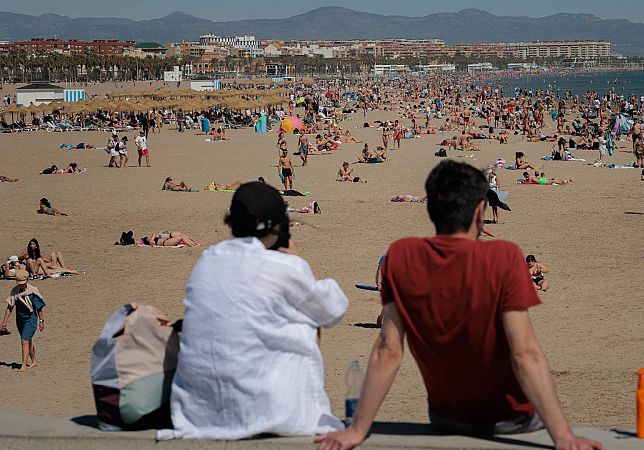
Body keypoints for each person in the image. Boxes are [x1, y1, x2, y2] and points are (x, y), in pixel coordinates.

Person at [315, 160, 603, 450]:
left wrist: (357, 429)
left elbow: (388, 350)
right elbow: (525, 354)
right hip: (512, 420)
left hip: (446, 417)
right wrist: (564, 436)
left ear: (430, 209)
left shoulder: (402, 255)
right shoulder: (503, 257)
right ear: (480, 210)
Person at [159, 182, 347, 441]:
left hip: (199, 413)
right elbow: (333, 310)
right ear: (278, 226)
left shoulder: (208, 259)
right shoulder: (284, 266)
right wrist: (296, 260)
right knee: (308, 315)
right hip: (274, 412)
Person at [1, 269, 46, 373]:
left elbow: (39, 308)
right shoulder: (15, 291)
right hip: (20, 320)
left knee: (24, 341)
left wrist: (41, 321)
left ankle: (23, 365)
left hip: (30, 320)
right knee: (28, 341)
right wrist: (4, 321)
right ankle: (34, 361)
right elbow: (10, 307)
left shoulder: (32, 292)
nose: (21, 285)